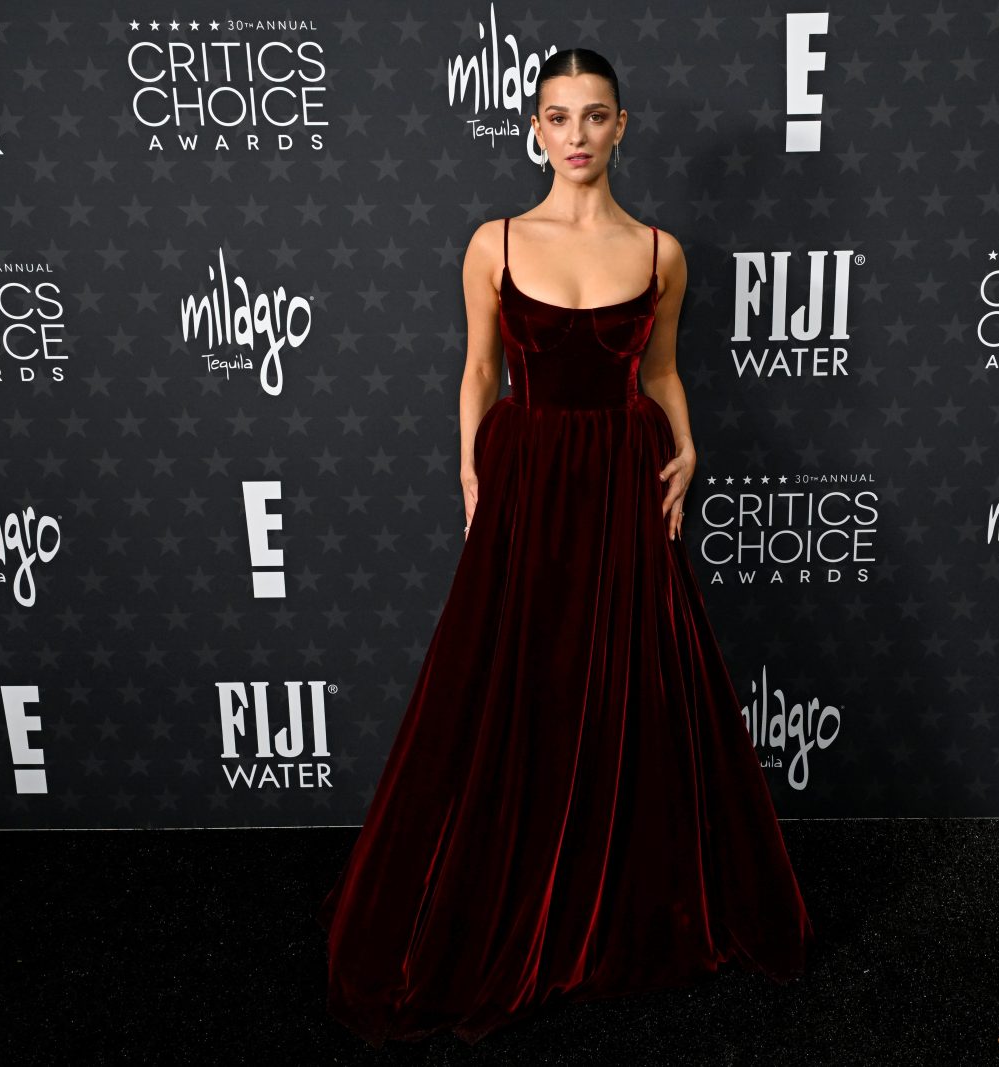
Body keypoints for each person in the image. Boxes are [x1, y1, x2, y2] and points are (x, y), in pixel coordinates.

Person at [316, 47, 814, 1046]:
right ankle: (518, 879)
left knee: (627, 677)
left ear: (621, 126)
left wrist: (689, 441)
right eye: (558, 115)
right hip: (528, 476)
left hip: (626, 480)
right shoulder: (493, 242)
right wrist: (469, 467)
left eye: (595, 115)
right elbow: (477, 369)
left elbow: (662, 373)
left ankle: (616, 892)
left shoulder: (662, 252)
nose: (577, 134)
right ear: (533, 127)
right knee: (520, 677)